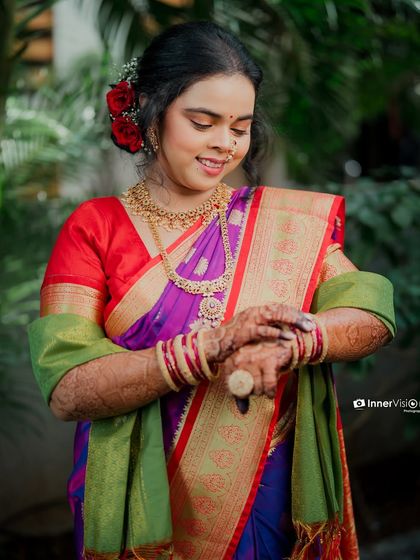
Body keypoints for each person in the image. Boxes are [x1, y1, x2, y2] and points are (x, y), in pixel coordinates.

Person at [28, 21, 395, 560]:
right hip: (143, 506)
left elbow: (368, 311)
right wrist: (211, 347)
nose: (225, 144)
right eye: (203, 122)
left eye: (240, 127)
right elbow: (68, 388)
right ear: (151, 113)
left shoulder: (278, 225)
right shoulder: (96, 229)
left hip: (266, 495)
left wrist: (293, 344)